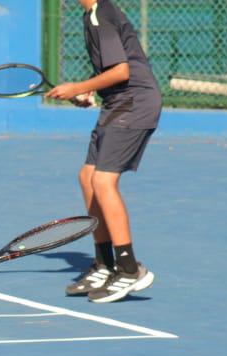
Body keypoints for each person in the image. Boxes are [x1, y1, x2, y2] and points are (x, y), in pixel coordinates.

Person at [47, 0, 161, 303]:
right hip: (117, 104)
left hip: (134, 103)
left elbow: (122, 71)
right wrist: (87, 91)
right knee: (87, 177)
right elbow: (113, 70)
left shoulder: (102, 14)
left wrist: (77, 86)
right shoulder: (92, 15)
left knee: (103, 181)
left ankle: (129, 268)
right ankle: (104, 263)